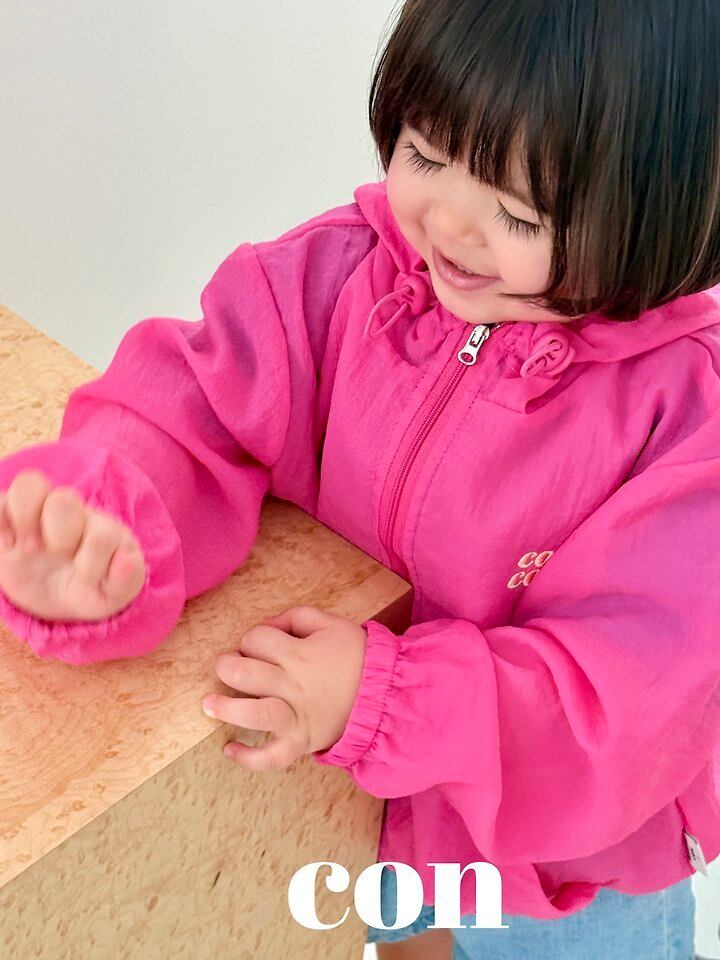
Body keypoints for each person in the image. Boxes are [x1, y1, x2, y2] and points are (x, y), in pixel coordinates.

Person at [1, 0, 719, 957]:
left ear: (664, 212)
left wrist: (389, 700)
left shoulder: (686, 422)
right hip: (369, 808)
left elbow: (621, 707)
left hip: (564, 870)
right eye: (426, 153)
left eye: (517, 212)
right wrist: (111, 523)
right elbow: (200, 397)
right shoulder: (348, 272)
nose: (449, 224)